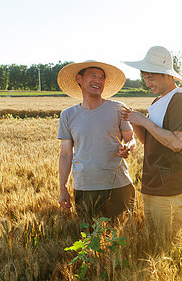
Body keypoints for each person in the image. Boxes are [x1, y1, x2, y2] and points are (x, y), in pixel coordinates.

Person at [120, 46, 182, 236]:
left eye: (150, 77)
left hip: (171, 187)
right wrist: (134, 122)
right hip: (152, 183)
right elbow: (149, 141)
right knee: (156, 240)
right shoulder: (157, 102)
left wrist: (144, 120)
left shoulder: (181, 101)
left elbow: (177, 143)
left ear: (167, 75)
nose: (147, 83)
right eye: (144, 78)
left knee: (171, 243)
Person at [57, 60, 136, 221]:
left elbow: (130, 138)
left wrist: (127, 147)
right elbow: (66, 154)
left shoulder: (118, 108)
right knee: (89, 239)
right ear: (79, 79)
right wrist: (63, 188)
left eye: (102, 77)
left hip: (119, 186)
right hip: (85, 188)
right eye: (93, 75)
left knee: (122, 239)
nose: (98, 80)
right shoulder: (68, 115)